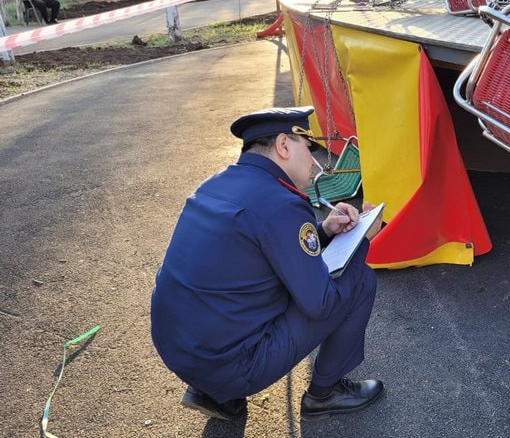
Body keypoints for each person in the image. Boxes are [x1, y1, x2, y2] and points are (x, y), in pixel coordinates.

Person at [151, 107, 384, 421]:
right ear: (284, 146)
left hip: (179, 350)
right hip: (229, 364)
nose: (315, 162)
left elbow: (265, 248)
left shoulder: (215, 184)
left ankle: (213, 393)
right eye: (308, 147)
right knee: (359, 282)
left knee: (243, 288)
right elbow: (322, 304)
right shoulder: (282, 202)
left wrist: (325, 231)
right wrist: (364, 240)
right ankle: (325, 393)